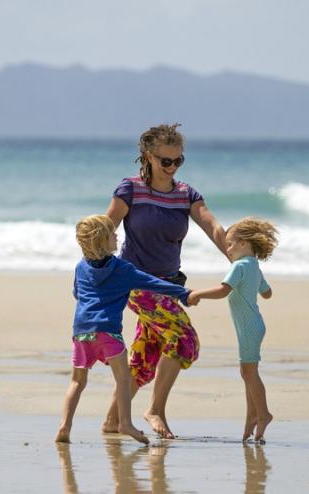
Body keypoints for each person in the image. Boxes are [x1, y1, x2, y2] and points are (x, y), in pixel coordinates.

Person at [103, 123, 229, 439]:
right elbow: (105, 229)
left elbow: (212, 226)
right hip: (134, 283)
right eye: (165, 161)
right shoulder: (129, 190)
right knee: (185, 339)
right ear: (148, 156)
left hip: (168, 286)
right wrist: (94, 274)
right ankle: (155, 410)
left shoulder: (186, 195)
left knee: (145, 361)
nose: (171, 167)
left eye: (178, 161)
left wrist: (238, 259)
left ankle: (113, 421)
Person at [55, 214, 197, 444]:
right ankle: (125, 423)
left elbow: (77, 294)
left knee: (77, 382)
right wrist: (183, 293)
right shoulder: (122, 268)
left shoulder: (80, 267)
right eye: (112, 233)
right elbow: (152, 283)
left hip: (80, 331)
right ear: (103, 241)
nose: (117, 235)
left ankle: (64, 427)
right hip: (108, 332)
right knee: (123, 378)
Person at [187, 217, 278, 443]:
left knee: (249, 373)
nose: (227, 249)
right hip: (254, 325)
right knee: (248, 372)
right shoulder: (254, 266)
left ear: (244, 244)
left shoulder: (239, 266)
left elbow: (222, 290)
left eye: (230, 244)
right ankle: (251, 417)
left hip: (248, 327)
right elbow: (268, 293)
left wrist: (197, 294)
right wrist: (255, 287)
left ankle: (264, 413)